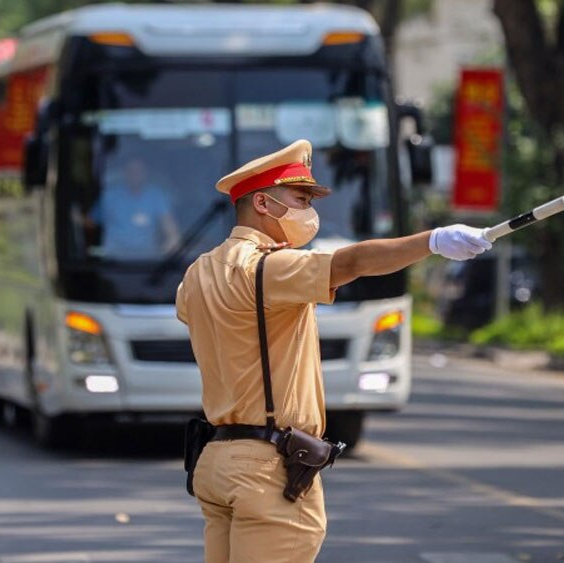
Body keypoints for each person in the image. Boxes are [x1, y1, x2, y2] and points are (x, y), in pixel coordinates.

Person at [174, 139, 491, 563]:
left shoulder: (199, 272)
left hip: (217, 461)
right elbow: (350, 263)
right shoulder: (268, 267)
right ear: (264, 204)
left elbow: (192, 313)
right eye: (300, 198)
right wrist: (431, 241)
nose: (310, 211)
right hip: (266, 468)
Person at [87, 156, 180, 258]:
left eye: (139, 171)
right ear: (125, 173)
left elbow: (169, 226)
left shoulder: (156, 196)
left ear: (145, 173)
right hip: (113, 259)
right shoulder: (109, 196)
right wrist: (74, 218)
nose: (135, 175)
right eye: (131, 171)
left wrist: (171, 241)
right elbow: (91, 223)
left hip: (147, 260)